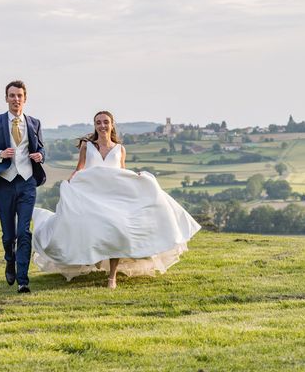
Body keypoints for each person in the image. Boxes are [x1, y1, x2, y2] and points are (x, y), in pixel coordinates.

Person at [32, 111, 200, 289]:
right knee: (85, 224)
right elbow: (79, 169)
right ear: (95, 126)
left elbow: (122, 174)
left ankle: (112, 276)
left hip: (114, 200)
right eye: (98, 123)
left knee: (117, 227)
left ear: (112, 125)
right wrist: (69, 184)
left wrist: (138, 178)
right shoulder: (87, 146)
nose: (102, 126)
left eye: (106, 122)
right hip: (91, 197)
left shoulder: (120, 149)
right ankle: (91, 259)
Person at [0, 80, 46, 293]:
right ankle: (10, 259)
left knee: (23, 232)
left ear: (25, 99)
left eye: (19, 96)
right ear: (6, 98)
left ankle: (23, 280)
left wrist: (40, 156)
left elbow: (42, 149)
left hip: (27, 183)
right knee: (9, 235)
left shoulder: (34, 123)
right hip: (5, 183)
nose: (16, 99)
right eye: (12, 95)